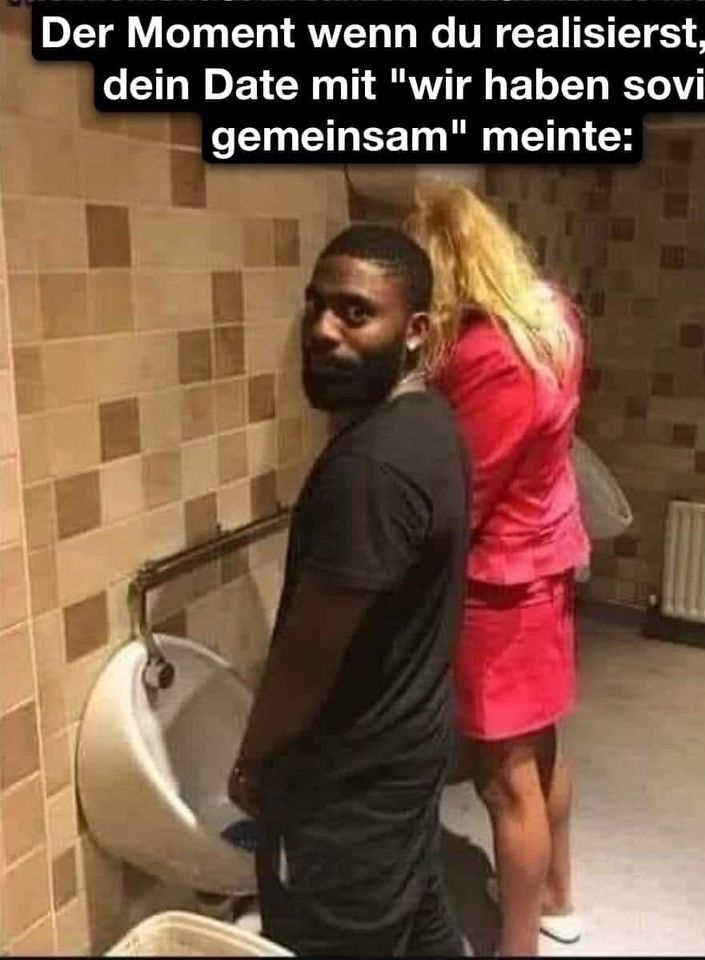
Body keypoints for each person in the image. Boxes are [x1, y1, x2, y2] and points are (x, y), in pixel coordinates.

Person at [228, 224, 470, 957]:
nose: (323, 330)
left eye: (356, 313)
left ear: (415, 330)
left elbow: (308, 660)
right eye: (316, 305)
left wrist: (253, 761)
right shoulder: (428, 421)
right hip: (407, 748)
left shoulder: (370, 470)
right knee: (419, 917)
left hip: (348, 785)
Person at [405, 186, 590, 957]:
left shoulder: (489, 353)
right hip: (548, 559)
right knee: (539, 753)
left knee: (503, 780)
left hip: (501, 583)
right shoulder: (552, 317)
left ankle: (518, 948)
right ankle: (555, 897)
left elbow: (468, 489)